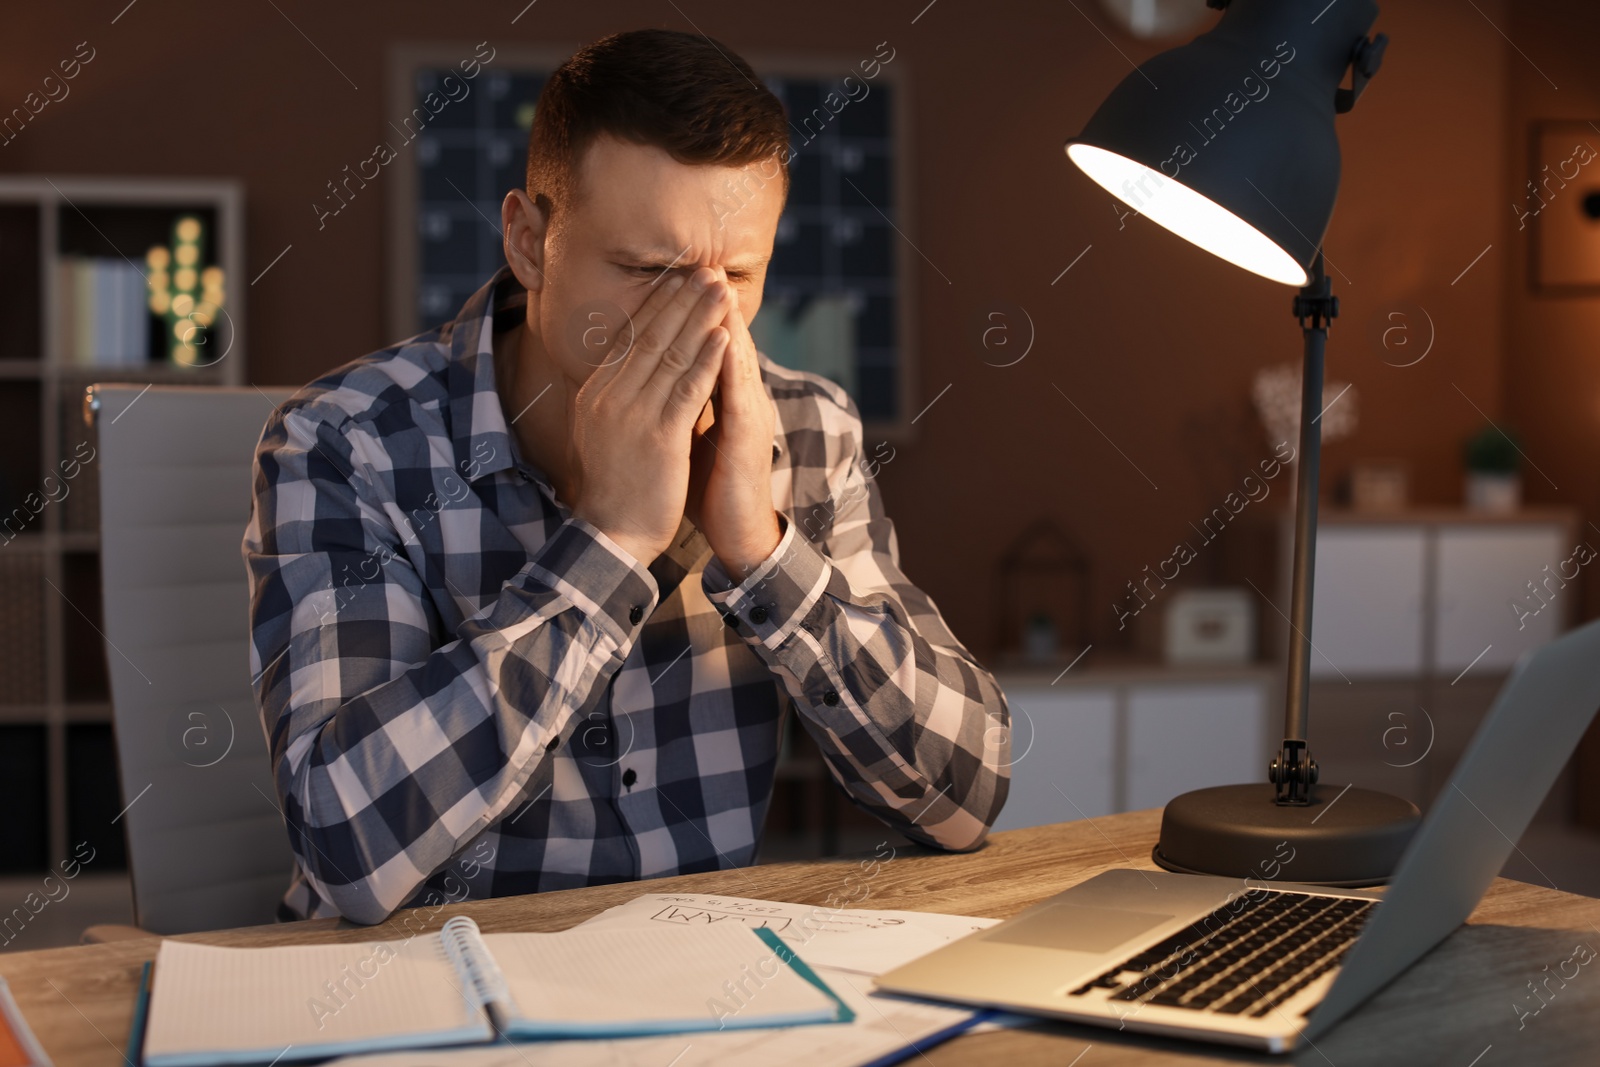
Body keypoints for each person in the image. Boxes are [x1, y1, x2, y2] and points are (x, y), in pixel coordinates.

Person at [242, 28, 1009, 925]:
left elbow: (964, 798)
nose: (699, 315)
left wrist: (763, 555)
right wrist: (606, 544)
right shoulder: (343, 442)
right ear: (529, 243)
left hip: (698, 1000)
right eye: (648, 271)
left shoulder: (805, 428)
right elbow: (346, 849)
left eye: (737, 273)